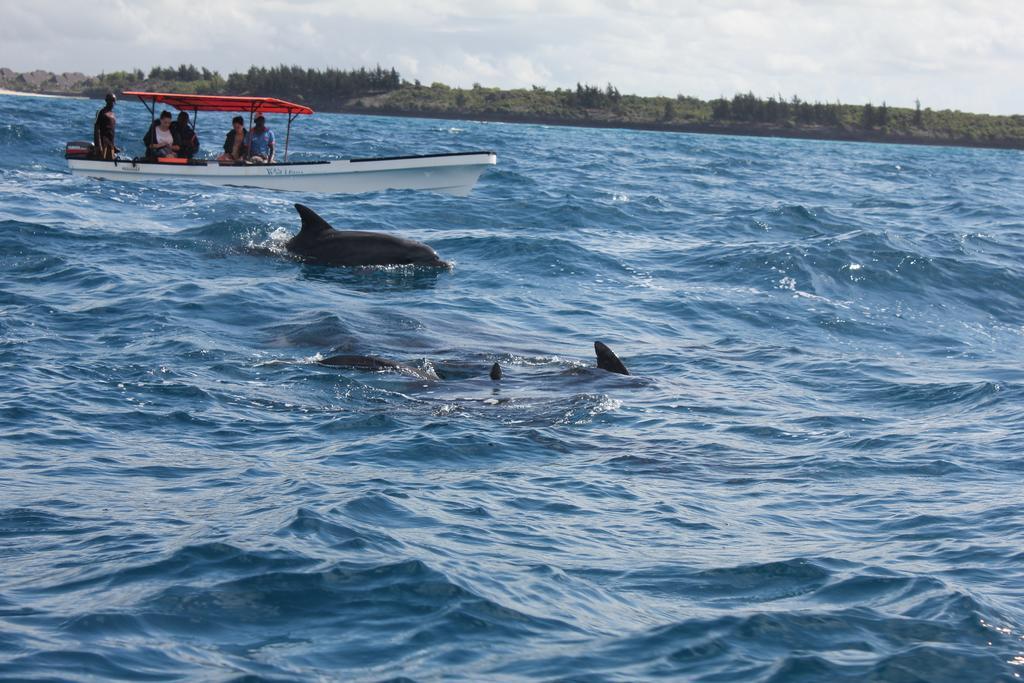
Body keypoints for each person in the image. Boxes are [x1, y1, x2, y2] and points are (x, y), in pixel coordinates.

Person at [92, 92, 117, 160]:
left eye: (114, 101)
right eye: (112, 101)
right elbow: (96, 129)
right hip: (103, 144)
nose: (113, 103)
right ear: (107, 101)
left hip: (110, 144)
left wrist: (113, 146)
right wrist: (98, 145)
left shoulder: (113, 114)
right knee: (103, 160)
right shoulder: (101, 112)